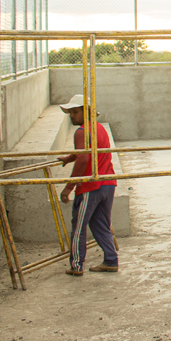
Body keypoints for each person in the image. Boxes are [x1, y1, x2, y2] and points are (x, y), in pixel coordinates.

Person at [57, 94, 118, 275]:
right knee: (101, 225)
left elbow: (83, 159)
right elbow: (87, 152)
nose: (71, 116)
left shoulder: (81, 131)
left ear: (86, 112)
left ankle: (76, 266)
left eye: (75, 112)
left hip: (90, 187)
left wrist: (69, 187)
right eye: (70, 112)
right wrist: (69, 158)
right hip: (107, 183)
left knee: (78, 228)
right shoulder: (99, 128)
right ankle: (111, 260)